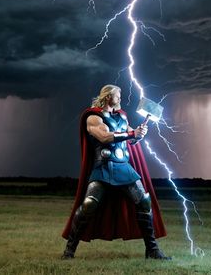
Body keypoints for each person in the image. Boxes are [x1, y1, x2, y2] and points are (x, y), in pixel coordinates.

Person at [61, 84, 170, 260]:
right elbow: (104, 137)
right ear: (108, 96)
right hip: (103, 167)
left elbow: (130, 138)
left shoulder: (122, 117)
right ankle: (69, 250)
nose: (120, 98)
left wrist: (138, 135)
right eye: (118, 95)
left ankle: (153, 250)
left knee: (144, 202)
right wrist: (131, 134)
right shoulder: (93, 117)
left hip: (124, 167)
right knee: (89, 204)